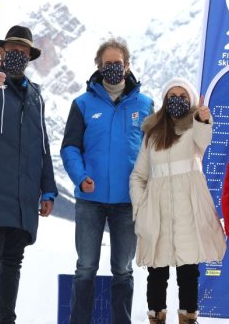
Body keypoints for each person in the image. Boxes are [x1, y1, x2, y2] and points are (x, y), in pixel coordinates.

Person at [0, 25, 58, 324]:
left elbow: (43, 145)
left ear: (29, 57)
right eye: (12, 51)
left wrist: (48, 189)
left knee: (13, 263)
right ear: (1, 52)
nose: (18, 56)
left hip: (24, 194)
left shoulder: (35, 97)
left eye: (23, 52)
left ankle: (7, 320)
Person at [61, 38, 154, 324]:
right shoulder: (83, 104)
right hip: (90, 200)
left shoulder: (145, 104)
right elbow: (70, 147)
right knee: (85, 267)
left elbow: (154, 150)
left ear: (127, 66)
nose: (113, 68)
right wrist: (80, 176)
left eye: (118, 63)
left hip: (128, 202)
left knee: (123, 269)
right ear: (99, 68)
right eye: (107, 64)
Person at [129, 77, 226, 324]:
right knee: (157, 273)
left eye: (183, 97)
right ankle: (156, 319)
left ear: (191, 101)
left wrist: (204, 119)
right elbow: (138, 175)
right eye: (172, 96)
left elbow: (205, 140)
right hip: (157, 211)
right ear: (164, 100)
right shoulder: (152, 134)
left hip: (188, 211)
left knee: (188, 273)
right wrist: (140, 208)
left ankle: (188, 319)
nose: (177, 101)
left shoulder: (196, 129)